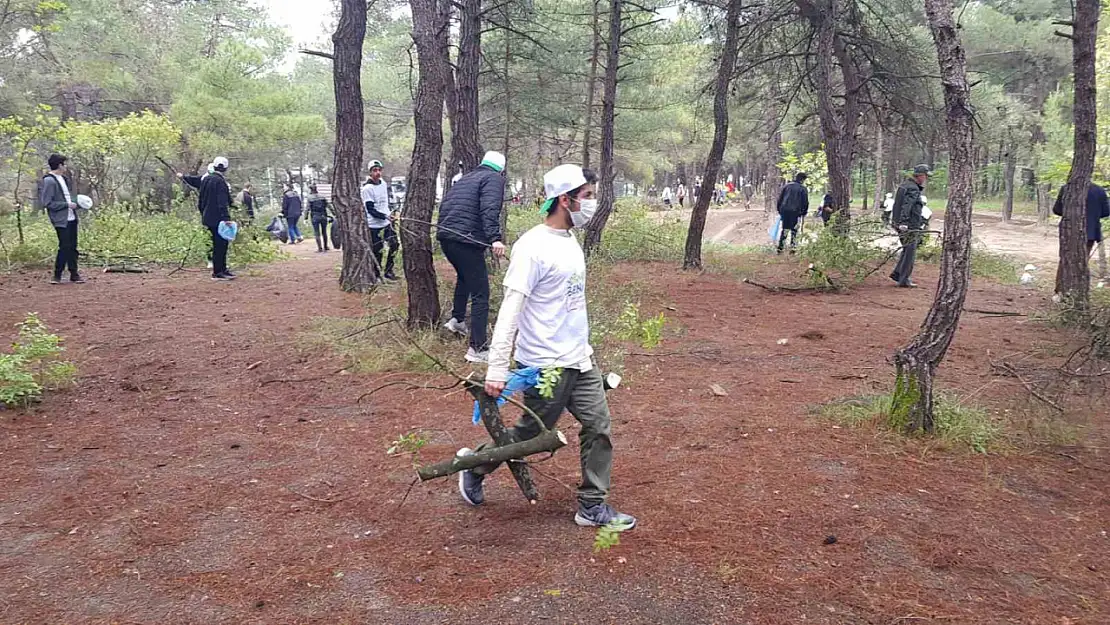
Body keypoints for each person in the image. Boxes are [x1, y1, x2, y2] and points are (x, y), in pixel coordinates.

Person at [456, 163, 636, 532]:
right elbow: (509, 309)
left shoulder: (569, 242)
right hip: (545, 365)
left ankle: (592, 505)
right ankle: (474, 466)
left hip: (579, 359)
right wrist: (497, 369)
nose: (592, 203)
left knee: (598, 426)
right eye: (586, 196)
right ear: (565, 200)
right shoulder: (532, 248)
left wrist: (585, 352)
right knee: (532, 437)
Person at [436, 150, 508, 363]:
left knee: (466, 278)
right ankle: (478, 348)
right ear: (501, 169)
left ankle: (457, 319)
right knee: (481, 293)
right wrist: (495, 238)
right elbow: (489, 208)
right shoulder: (493, 178)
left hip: (447, 237)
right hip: (465, 240)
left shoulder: (467, 178)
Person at [180, 156, 236, 281]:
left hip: (207, 218)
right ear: (225, 169)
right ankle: (218, 272)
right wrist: (226, 218)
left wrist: (203, 213)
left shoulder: (205, 180)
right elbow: (222, 202)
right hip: (219, 219)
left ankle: (222, 269)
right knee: (221, 245)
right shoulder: (221, 182)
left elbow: (201, 201)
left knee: (214, 245)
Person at [40, 154, 85, 284]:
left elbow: (67, 198)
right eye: (64, 164)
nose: (66, 166)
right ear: (60, 165)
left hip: (71, 218)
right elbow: (47, 203)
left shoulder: (64, 179)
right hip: (61, 220)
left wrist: (77, 203)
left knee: (73, 247)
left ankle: (74, 274)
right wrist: (66, 205)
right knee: (64, 246)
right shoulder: (49, 181)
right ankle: (57, 275)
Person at [890, 164, 930, 288]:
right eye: (925, 176)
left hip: (901, 223)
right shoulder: (913, 188)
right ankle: (904, 279)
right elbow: (907, 206)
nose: (926, 179)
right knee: (910, 251)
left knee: (907, 249)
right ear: (921, 176)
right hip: (909, 225)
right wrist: (904, 223)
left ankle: (898, 273)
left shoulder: (904, 185)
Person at [362, 160, 399, 280]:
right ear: (370, 172)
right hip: (374, 225)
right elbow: (370, 210)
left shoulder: (383, 183)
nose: (377, 172)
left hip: (387, 223)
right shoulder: (367, 189)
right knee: (378, 250)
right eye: (374, 170)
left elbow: (385, 203)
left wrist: (390, 214)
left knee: (394, 244)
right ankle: (377, 275)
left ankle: (389, 270)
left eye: (379, 170)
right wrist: (384, 216)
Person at [1053, 183, 1110, 255]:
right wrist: (1093, 216)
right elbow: (1106, 212)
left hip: (1069, 230)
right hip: (1090, 231)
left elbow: (1057, 210)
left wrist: (1070, 214)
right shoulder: (1099, 190)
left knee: (1068, 258)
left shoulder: (1066, 188)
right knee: (1084, 258)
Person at [775, 172, 809, 254]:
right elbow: (805, 202)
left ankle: (780, 248)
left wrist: (779, 209)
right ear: (802, 180)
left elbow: (780, 199)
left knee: (785, 229)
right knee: (794, 230)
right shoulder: (802, 188)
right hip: (796, 212)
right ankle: (793, 248)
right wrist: (804, 212)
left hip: (785, 210)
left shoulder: (786, 186)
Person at [306, 184, 330, 253]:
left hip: (315, 216)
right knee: (324, 231)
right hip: (323, 215)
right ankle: (326, 246)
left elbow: (307, 208)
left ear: (310, 190)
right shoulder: (322, 197)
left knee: (317, 232)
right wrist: (334, 213)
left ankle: (320, 248)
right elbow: (328, 205)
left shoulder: (310, 198)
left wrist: (306, 217)